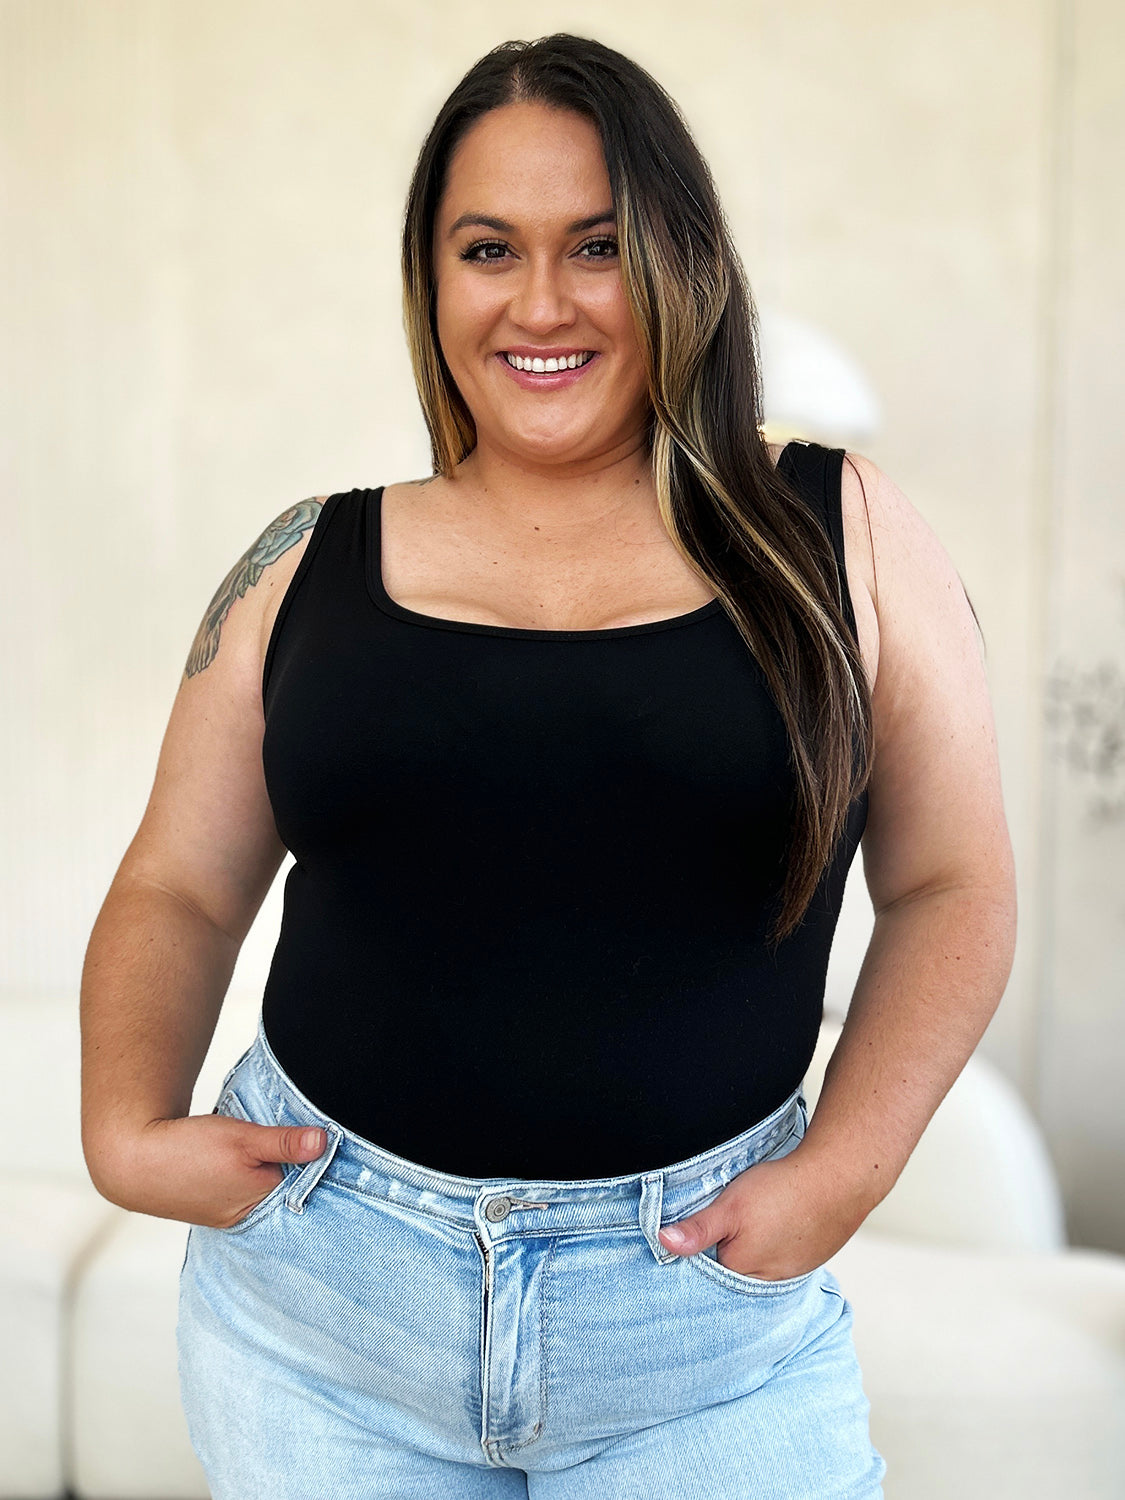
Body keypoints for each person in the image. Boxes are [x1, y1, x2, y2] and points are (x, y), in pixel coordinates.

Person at [80, 32, 1016, 1500]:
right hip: (321, 1320)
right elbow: (181, 885)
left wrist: (847, 1168)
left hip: (694, 1335)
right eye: (485, 249)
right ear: (430, 278)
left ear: (675, 262)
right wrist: (123, 1131)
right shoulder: (303, 560)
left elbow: (953, 884)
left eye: (594, 247)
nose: (538, 303)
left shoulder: (836, 532)